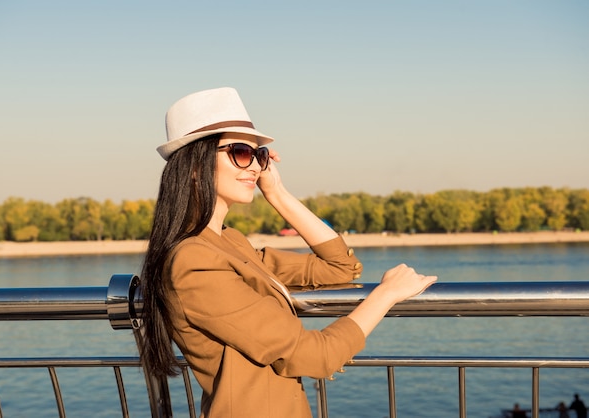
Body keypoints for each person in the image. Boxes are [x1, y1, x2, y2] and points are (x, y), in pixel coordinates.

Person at [140, 87, 437, 418]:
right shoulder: (193, 262)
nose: (254, 165)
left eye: (259, 155)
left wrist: (278, 193)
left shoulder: (229, 243)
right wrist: (386, 295)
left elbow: (340, 267)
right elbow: (316, 356)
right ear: (195, 166)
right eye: (240, 152)